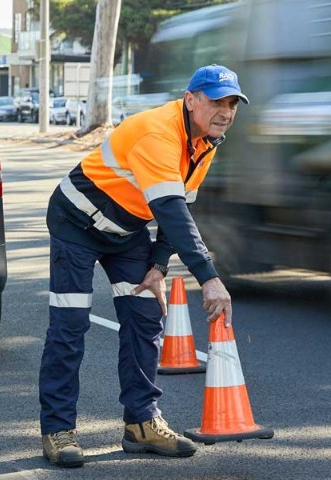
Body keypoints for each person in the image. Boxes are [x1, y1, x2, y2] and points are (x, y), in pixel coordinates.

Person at [38, 64, 248, 468]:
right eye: (216, 101)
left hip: (125, 230)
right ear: (190, 100)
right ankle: (58, 428)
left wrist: (158, 266)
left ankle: (141, 422)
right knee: (70, 325)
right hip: (75, 223)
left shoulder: (205, 142)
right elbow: (171, 211)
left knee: (145, 316)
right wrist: (209, 278)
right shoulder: (158, 133)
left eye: (232, 103)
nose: (225, 111)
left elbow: (181, 204)